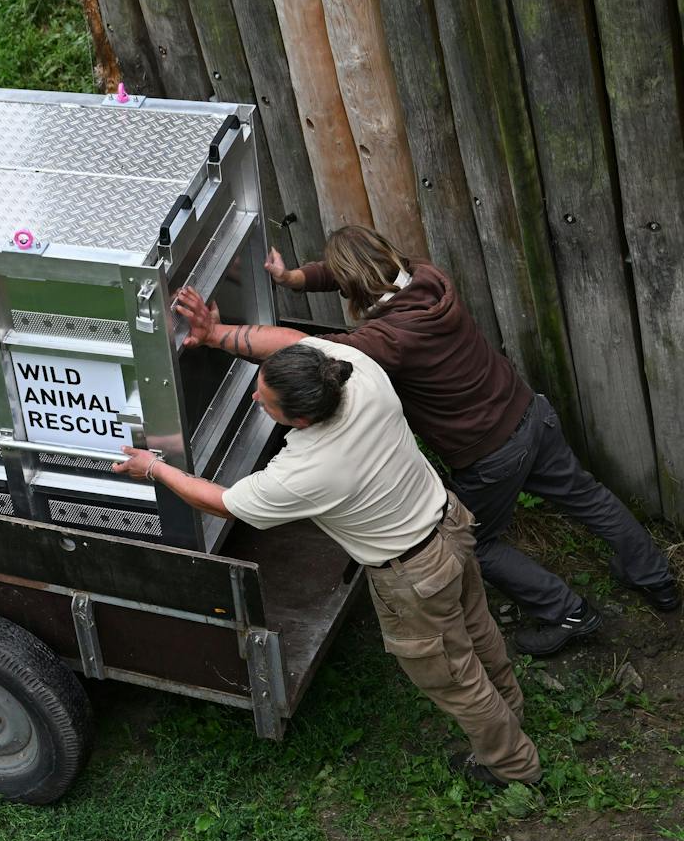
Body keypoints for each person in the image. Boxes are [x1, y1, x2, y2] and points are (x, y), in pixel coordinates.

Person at [173, 225, 677, 657]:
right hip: (528, 412)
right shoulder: (426, 276)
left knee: (472, 540)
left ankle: (568, 614)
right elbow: (351, 269)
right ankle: (655, 577)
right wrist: (293, 278)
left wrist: (217, 335)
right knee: (587, 496)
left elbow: (301, 348)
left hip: (490, 453)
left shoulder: (389, 339)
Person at [115, 340, 541, 787]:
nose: (255, 398)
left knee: (453, 677)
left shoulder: (309, 470)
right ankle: (510, 708)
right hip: (448, 525)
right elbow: (285, 339)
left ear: (300, 420)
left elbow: (222, 503)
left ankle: (512, 766)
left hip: (414, 576)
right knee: (477, 631)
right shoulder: (360, 371)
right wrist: (217, 330)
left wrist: (155, 469)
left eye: (265, 400)